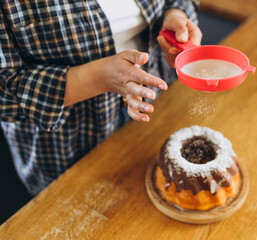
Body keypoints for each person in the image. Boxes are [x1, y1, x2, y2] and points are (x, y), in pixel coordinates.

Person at [0, 0, 202, 196]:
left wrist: (176, 14)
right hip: (69, 146)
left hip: (160, 104)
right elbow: (4, 93)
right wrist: (99, 78)